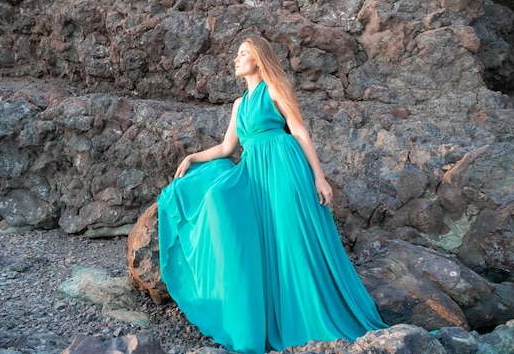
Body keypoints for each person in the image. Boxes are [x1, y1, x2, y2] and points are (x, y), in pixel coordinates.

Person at [157, 36, 388, 354]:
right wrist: (193, 157)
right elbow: (227, 148)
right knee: (233, 213)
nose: (236, 59)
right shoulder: (239, 105)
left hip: (284, 167)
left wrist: (319, 177)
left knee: (293, 239)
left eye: (243, 54)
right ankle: (266, 315)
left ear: (258, 59)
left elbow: (300, 130)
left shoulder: (274, 89)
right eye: (236, 54)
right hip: (256, 173)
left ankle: (312, 317)